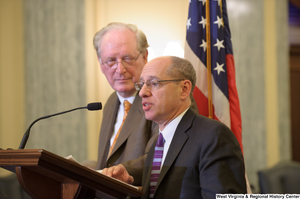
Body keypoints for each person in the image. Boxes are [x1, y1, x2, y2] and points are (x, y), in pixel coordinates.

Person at [102, 56, 247, 198]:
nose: (142, 93)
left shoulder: (213, 136)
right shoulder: (156, 144)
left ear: (184, 89)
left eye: (154, 83)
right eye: (141, 85)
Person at [92, 22, 158, 185]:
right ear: (101, 64)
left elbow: (162, 156)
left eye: (127, 58)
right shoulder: (111, 102)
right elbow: (107, 161)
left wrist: (121, 172)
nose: (120, 69)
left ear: (144, 57)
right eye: (111, 60)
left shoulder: (161, 98)